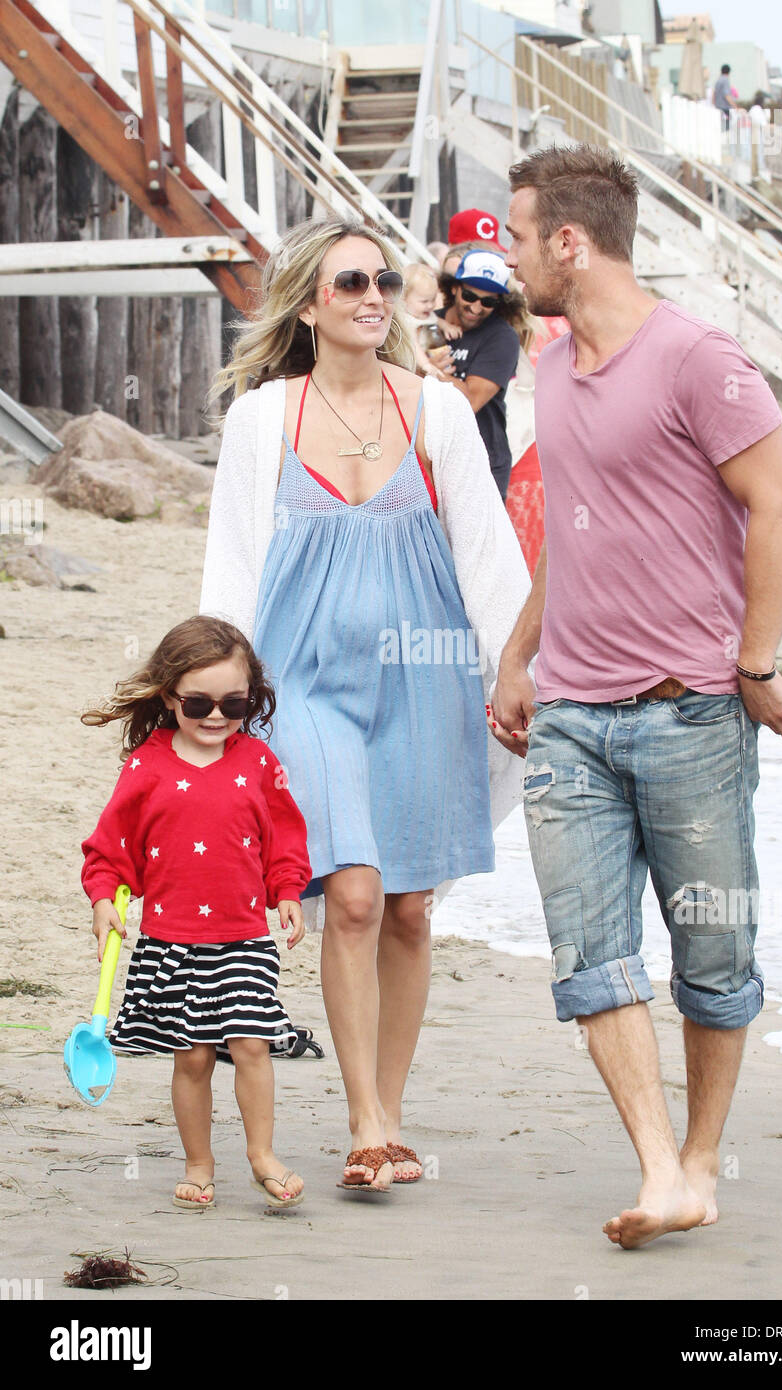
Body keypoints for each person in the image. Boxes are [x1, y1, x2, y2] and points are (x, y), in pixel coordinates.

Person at [495, 143, 782, 1249]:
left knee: (711, 956)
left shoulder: (697, 359)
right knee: (588, 953)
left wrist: (754, 665)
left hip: (689, 713)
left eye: (517, 232)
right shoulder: (547, 365)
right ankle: (655, 1163)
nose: (508, 251)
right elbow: (572, 532)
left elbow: (775, 505)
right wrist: (515, 654)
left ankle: (699, 1158)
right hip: (572, 720)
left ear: (567, 243)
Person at [200, 217, 529, 1192]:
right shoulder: (264, 419)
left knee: (408, 907)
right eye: (349, 282)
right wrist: (212, 700)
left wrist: (515, 672)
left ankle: (389, 1107)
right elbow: (231, 568)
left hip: (423, 681)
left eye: (384, 278)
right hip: (300, 684)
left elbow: (484, 552)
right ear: (308, 303)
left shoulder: (433, 411)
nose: (373, 295)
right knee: (347, 891)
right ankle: (365, 1121)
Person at [80, 616, 312, 1213]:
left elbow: (285, 836)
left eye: (234, 703)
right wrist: (104, 898)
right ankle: (198, 1162)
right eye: (198, 703)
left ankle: (261, 1154)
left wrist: (288, 889)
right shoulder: (147, 766)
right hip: (172, 940)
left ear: (251, 698)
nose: (216, 716)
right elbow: (111, 847)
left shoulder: (259, 762)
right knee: (194, 1057)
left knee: (254, 1046)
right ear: (169, 696)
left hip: (243, 937)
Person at [435, 249, 524, 499]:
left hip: (481, 463)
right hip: (428, 458)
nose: (476, 307)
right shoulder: (427, 323)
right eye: (470, 295)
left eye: (488, 302)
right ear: (454, 288)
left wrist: (429, 369)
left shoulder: (503, 337)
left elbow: (470, 401)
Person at [713, 63, 734, 129]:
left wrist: (714, 104)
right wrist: (735, 106)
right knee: (726, 129)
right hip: (725, 108)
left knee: (719, 127)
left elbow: (714, 94)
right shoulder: (725, 80)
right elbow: (727, 95)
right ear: (729, 72)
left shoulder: (718, 81)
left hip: (717, 107)